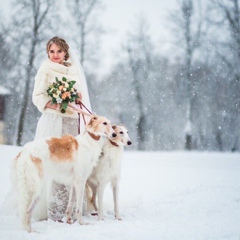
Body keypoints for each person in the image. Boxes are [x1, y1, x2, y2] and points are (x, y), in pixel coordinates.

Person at [32, 36, 92, 222]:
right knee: (55, 163)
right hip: (54, 122)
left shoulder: (74, 70)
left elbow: (79, 94)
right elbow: (38, 97)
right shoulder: (45, 69)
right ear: (47, 53)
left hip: (73, 123)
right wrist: (56, 104)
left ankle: (74, 208)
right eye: (52, 51)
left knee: (74, 165)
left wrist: (76, 97)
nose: (55, 55)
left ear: (66, 52)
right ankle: (56, 210)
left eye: (59, 51)